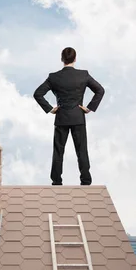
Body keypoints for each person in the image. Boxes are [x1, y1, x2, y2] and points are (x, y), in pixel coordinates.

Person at [33, 47, 105, 185]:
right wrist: (89, 108)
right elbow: (100, 90)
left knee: (58, 152)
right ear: (75, 58)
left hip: (61, 118)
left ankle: (56, 182)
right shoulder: (83, 75)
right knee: (81, 151)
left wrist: (50, 109)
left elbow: (38, 93)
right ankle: (86, 181)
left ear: (62, 59)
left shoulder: (53, 77)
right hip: (78, 117)